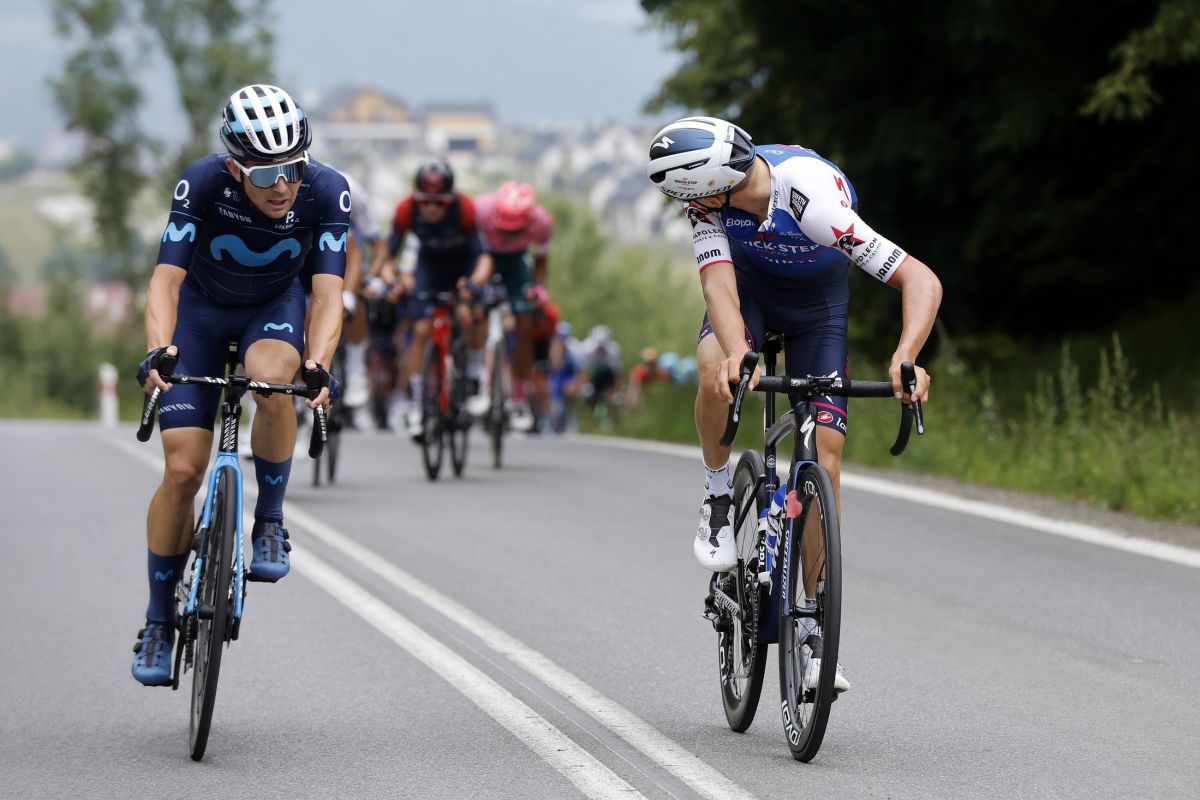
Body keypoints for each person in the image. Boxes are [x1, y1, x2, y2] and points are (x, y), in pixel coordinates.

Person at [645, 116, 942, 692]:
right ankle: (717, 495)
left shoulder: (812, 202)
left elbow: (920, 279)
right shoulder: (708, 204)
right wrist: (738, 355)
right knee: (713, 369)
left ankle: (813, 629)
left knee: (825, 459)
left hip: (816, 310)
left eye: (686, 197)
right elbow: (719, 286)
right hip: (749, 296)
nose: (686, 206)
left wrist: (906, 355)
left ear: (712, 186)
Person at [131, 84, 348, 686]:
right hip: (200, 316)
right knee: (183, 471)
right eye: (266, 173)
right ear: (234, 169)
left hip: (273, 308)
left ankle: (270, 521)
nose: (283, 186)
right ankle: (158, 621)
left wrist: (319, 362)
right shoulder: (202, 182)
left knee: (273, 383)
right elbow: (166, 281)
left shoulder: (327, 189)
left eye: (293, 168)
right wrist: (158, 349)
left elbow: (328, 295)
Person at [370, 159, 490, 440]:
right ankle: (418, 401)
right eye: (426, 202)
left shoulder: (465, 209)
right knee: (421, 329)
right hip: (431, 268)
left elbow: (484, 257)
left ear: (450, 199)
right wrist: (391, 282)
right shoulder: (406, 209)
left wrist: (474, 284)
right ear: (417, 198)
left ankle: (473, 373)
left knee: (467, 316)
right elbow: (387, 256)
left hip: (464, 267)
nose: (432, 209)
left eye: (439, 203)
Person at [473, 181, 554, 432]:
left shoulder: (542, 223)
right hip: (484, 257)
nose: (507, 235)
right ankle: (473, 377)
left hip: (517, 264)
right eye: (503, 229)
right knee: (473, 312)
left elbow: (541, 259)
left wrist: (538, 287)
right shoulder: (479, 210)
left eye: (515, 231)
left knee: (525, 324)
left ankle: (519, 396)